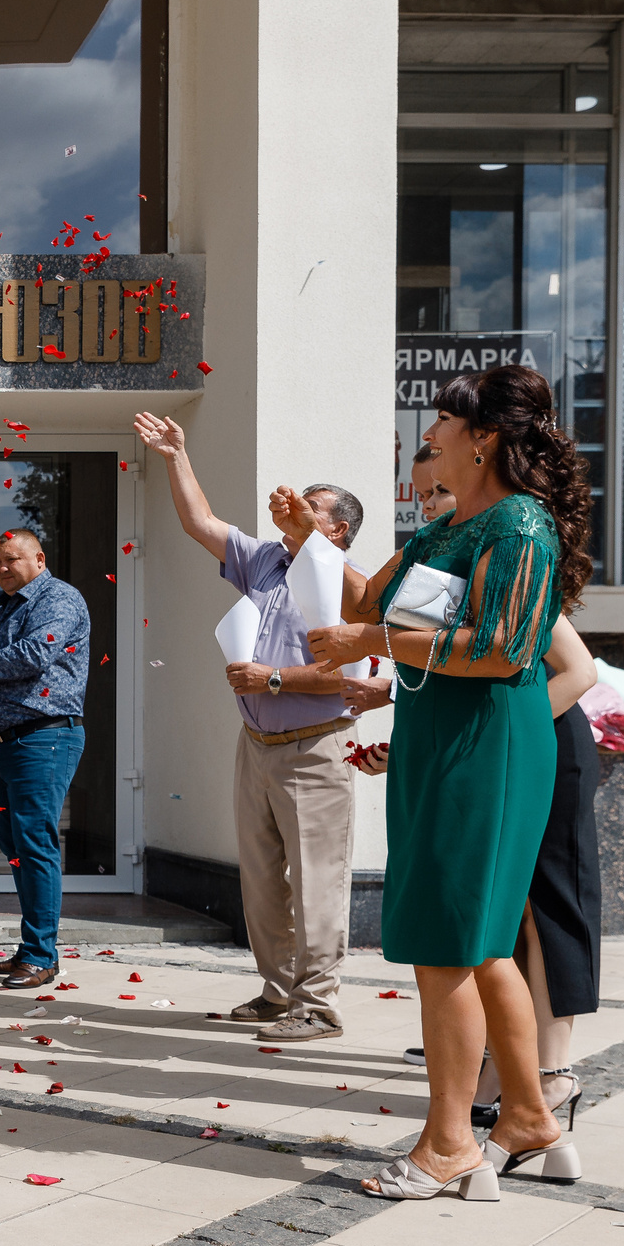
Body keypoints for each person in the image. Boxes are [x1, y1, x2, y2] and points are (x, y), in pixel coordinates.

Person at [309, 363, 592, 1200]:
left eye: (441, 425)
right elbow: (376, 606)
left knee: (448, 948)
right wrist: (312, 546)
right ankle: (533, 1120)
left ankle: (449, 1145)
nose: (428, 435)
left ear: (485, 438)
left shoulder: (519, 527)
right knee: (481, 946)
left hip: (489, 745)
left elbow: (504, 650)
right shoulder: (444, 531)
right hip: (442, 741)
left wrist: (370, 640)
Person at [132, 412, 391, 1042]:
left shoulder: (348, 586)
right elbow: (201, 523)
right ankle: (279, 994)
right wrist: (176, 454)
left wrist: (272, 680)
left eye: (312, 508)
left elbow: (355, 677)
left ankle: (319, 1004)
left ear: (340, 530)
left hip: (317, 746)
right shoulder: (268, 561)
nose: (293, 509)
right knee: (261, 880)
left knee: (318, 882)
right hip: (256, 746)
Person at [359, 611, 600, 1150]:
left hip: (542, 750)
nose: (428, 520)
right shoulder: (463, 569)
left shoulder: (519, 556)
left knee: (547, 910)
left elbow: (580, 672)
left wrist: (506, 737)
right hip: (489, 751)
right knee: (500, 917)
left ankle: (552, 1075)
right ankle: (507, 1076)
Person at [0, 530, 88, 991]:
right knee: (17, 849)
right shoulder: (4, 608)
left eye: (12, 559)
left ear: (39, 558)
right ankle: (30, 950)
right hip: (5, 742)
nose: (4, 568)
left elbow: (33, 656)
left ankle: (40, 956)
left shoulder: (59, 598)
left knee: (34, 847)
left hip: (43, 739)